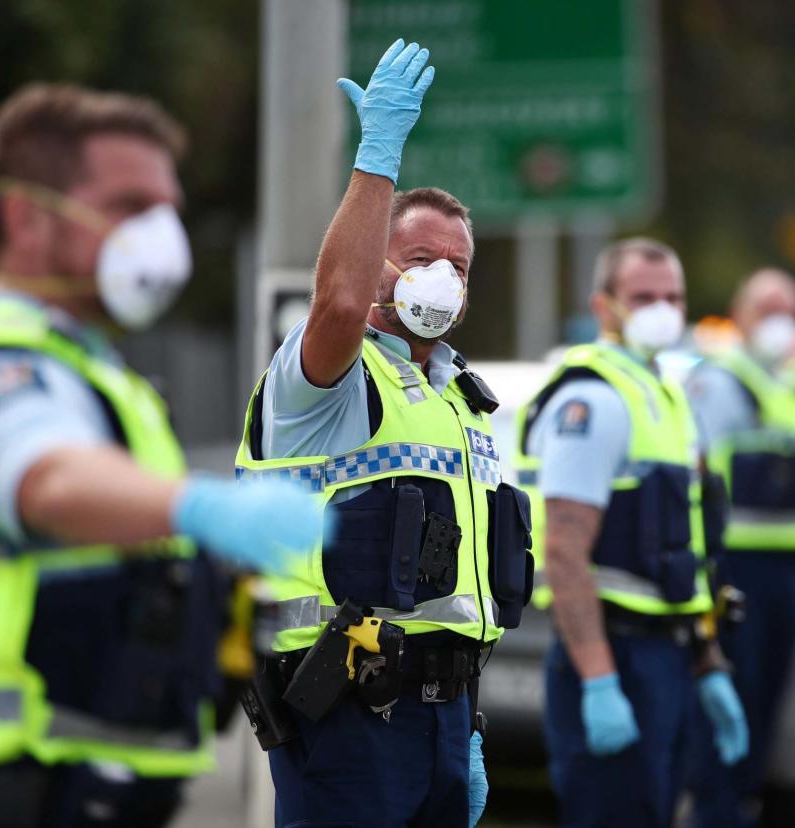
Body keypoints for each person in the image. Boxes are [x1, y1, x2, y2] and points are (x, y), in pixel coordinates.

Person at [0, 84, 328, 827]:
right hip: (9, 781)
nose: (160, 234)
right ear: (26, 216)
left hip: (92, 780)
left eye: (167, 210)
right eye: (130, 206)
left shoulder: (93, 371)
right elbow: (49, 479)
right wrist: (198, 506)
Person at [233, 40, 533, 827]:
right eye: (421, 257)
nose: (444, 277)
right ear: (379, 265)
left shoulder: (462, 398)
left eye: (459, 266)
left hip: (445, 716)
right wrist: (379, 156)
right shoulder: (327, 381)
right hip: (348, 717)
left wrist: (462, 729)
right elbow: (335, 305)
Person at [516, 237, 749, 828]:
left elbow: (684, 552)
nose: (662, 309)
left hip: (666, 656)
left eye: (673, 296)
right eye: (643, 296)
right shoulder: (594, 401)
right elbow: (565, 551)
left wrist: (708, 663)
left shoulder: (665, 395)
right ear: (604, 307)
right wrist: (599, 681)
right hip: (614, 656)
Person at [683, 269, 795, 826]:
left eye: (790, 311)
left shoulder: (786, 384)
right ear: (741, 315)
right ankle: (716, 812)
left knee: (765, 703)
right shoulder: (722, 382)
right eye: (768, 309)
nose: (781, 322)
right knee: (733, 702)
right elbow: (698, 471)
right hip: (738, 567)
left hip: (787, 568)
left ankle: (738, 805)